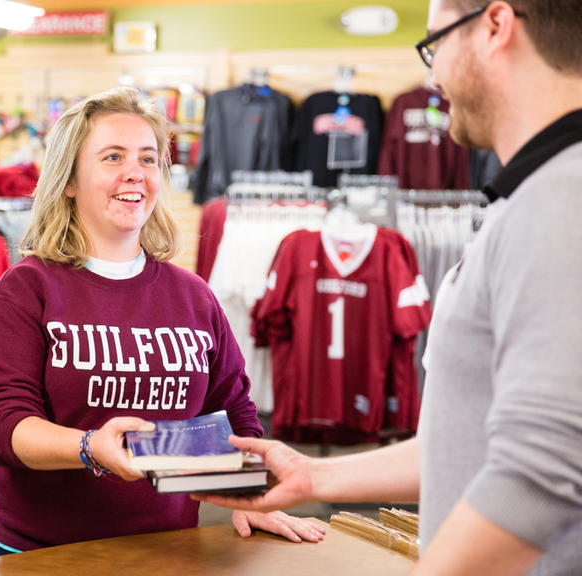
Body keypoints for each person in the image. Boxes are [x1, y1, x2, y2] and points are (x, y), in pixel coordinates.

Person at [195, 1, 582, 574]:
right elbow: (469, 442)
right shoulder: (531, 197)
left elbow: (543, 474)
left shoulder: (560, 198)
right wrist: (316, 475)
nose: (433, 76)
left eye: (436, 44)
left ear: (496, 26)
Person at [0, 87, 325, 556]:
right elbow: (0, 425)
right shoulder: (25, 290)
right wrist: (90, 447)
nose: (135, 172)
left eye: (149, 159)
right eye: (113, 157)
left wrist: (249, 493)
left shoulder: (193, 296)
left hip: (169, 553)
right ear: (69, 179)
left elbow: (234, 408)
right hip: (44, 556)